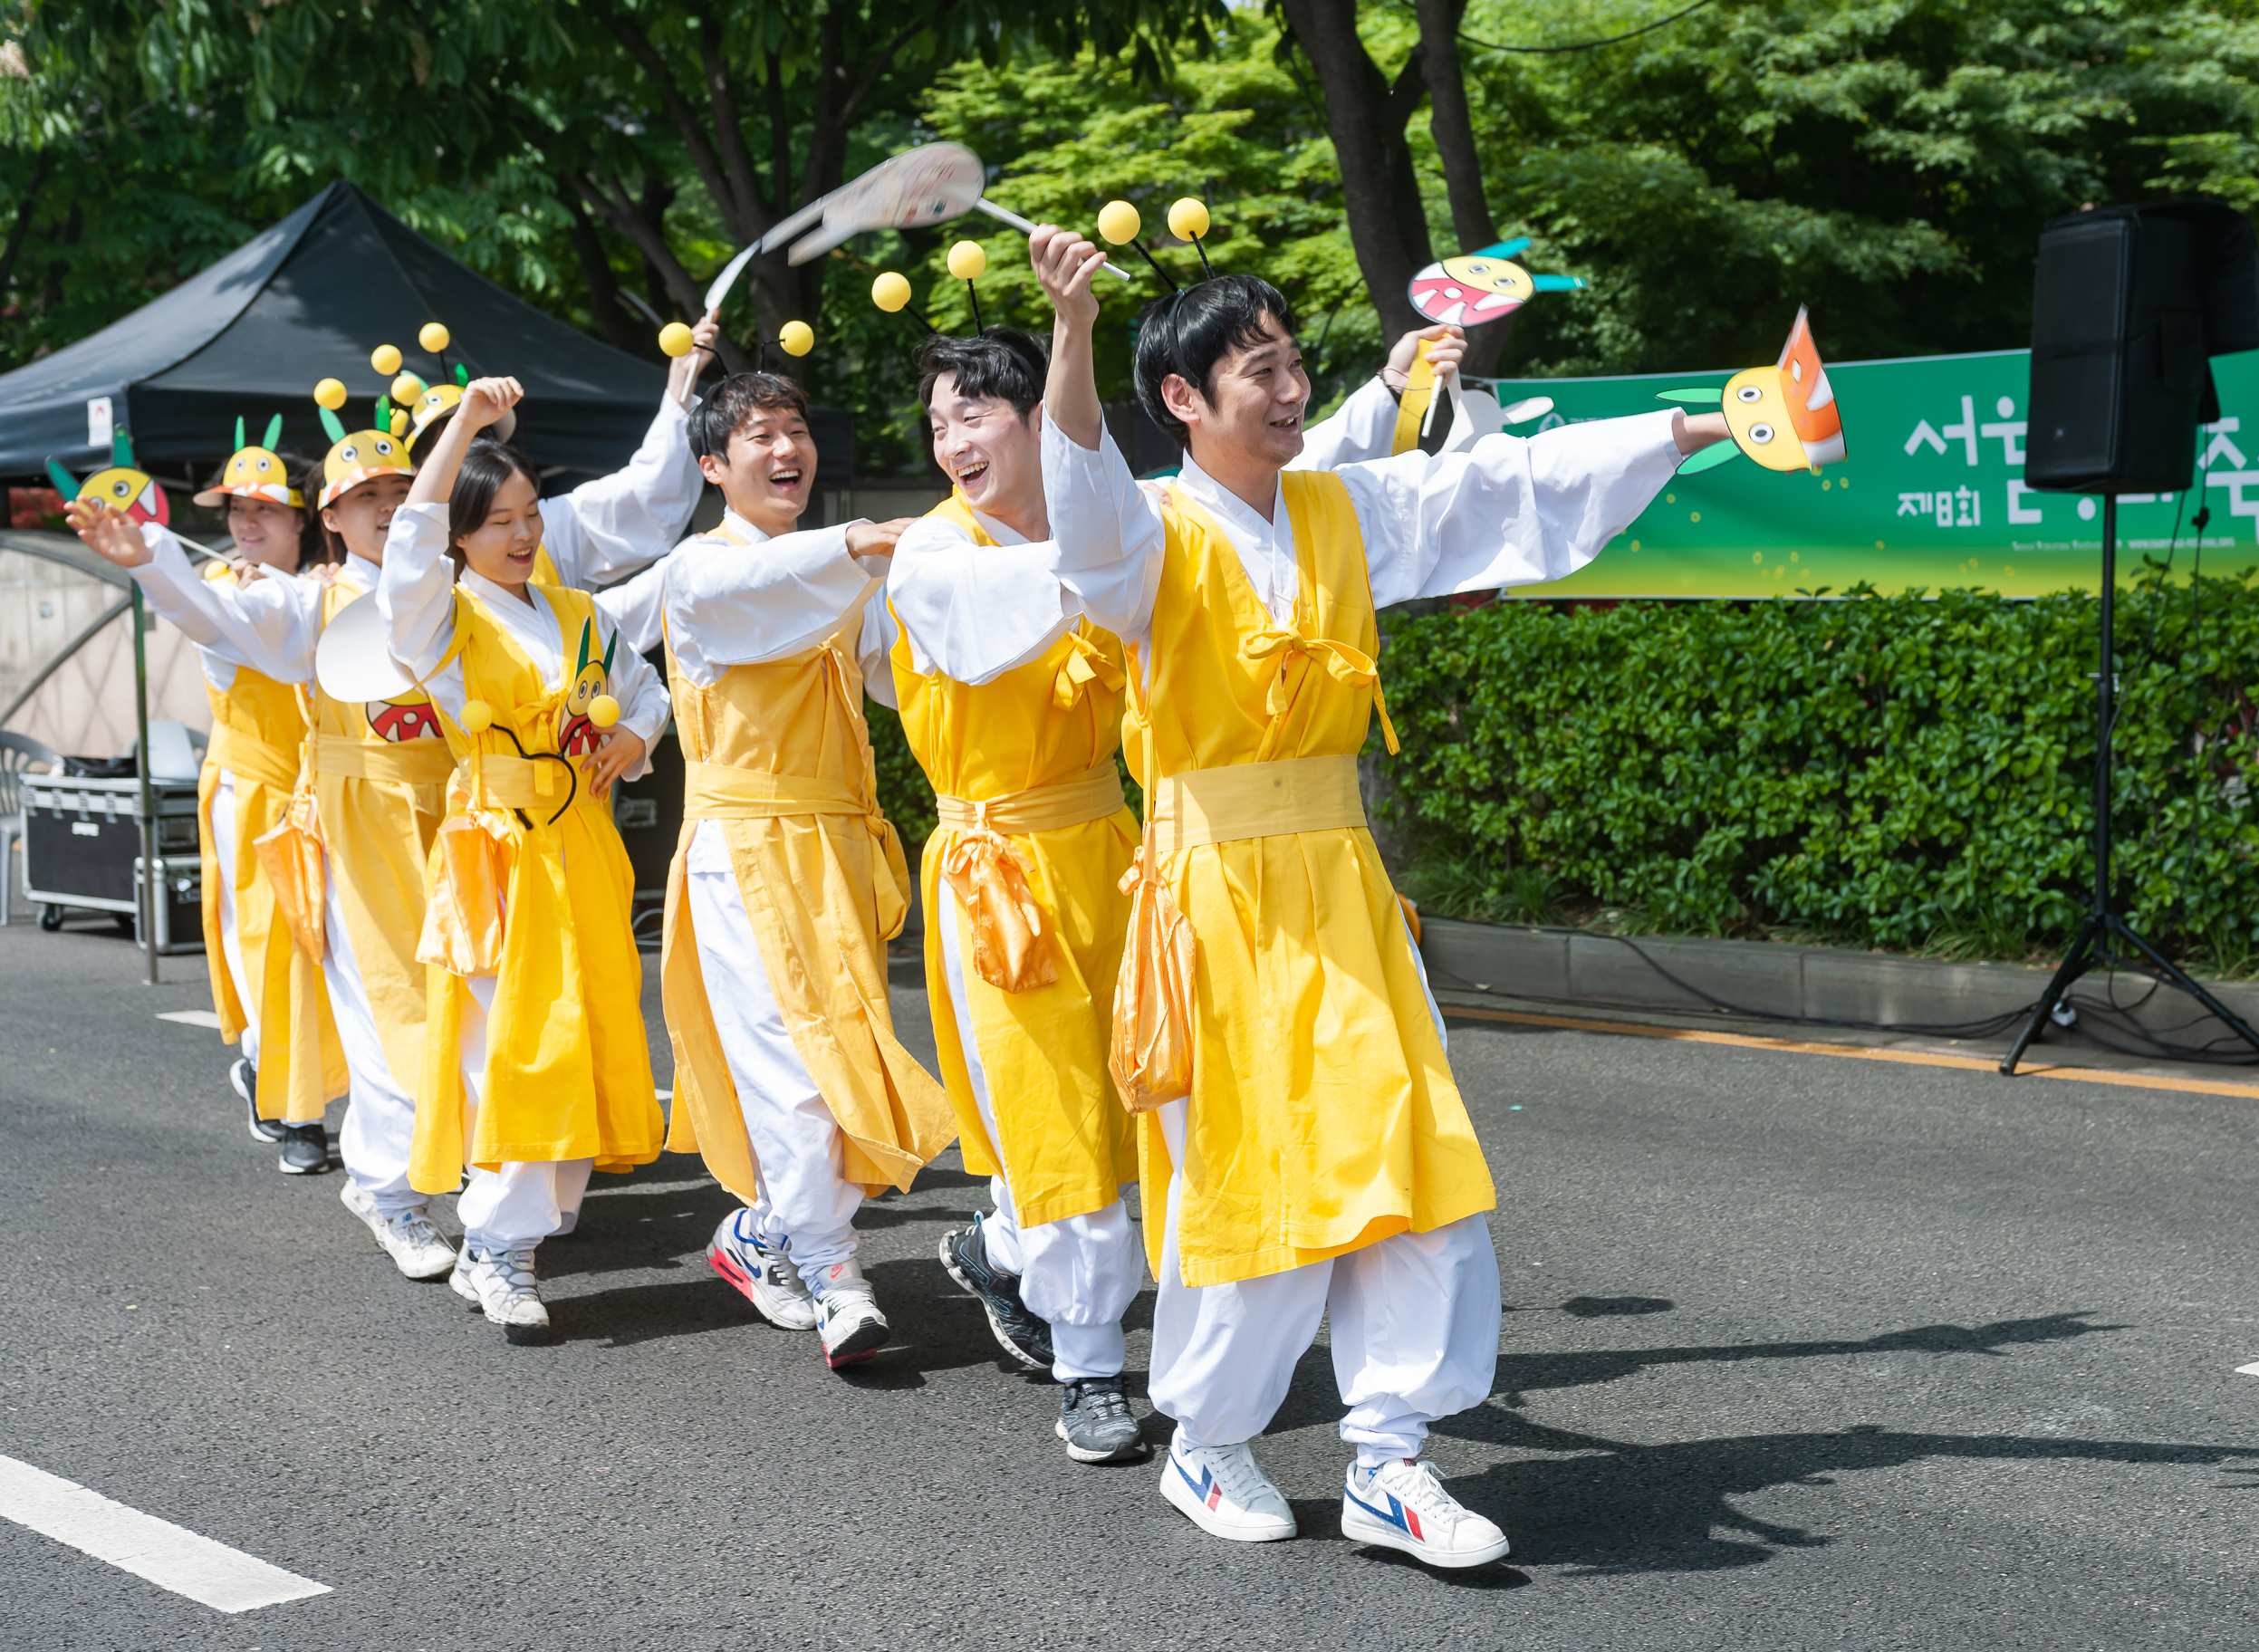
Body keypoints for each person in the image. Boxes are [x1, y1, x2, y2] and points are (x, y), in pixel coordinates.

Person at [1027, 226, 1730, 1567]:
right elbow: (1079, 495)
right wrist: (1069, 334)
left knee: (1416, 1162)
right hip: (1213, 899)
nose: (1290, 389)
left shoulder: (1350, 509)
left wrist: (1713, 424)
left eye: (1294, 363)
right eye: (1258, 371)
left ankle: (1390, 1462)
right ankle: (1210, 1442)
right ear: (1182, 400)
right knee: (1255, 1178)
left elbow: (1517, 488)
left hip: (1342, 889)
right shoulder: (1147, 537)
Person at [870, 321, 1469, 1463]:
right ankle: (1091, 1369)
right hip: (1000, 876)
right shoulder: (937, 556)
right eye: (939, 421)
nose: (952, 440)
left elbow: (1254, 496)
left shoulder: (1133, 521)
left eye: (976, 414)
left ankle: (1007, 1255)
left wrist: (1388, 388)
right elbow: (1093, 574)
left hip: (1129, 850)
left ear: (1045, 421)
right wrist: (1118, 554)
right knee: (1056, 1119)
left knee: (1154, 1097)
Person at [95, 320, 716, 1283]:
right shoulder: (313, 602)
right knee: (396, 1009)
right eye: (366, 495)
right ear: (329, 517)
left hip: (479, 820)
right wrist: (150, 561)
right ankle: (390, 1191)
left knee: (489, 1015)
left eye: (404, 484)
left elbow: (634, 545)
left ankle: (494, 1177)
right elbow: (216, 613)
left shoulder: (501, 590)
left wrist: (681, 393)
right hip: (368, 825)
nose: (391, 505)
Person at [601, 370, 953, 1369]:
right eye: (759, 436)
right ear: (713, 465)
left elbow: (907, 672)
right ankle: (838, 1274)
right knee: (796, 1071)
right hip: (746, 855)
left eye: (795, 430)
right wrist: (861, 542)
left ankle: (763, 1234)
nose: (784, 449)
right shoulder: (701, 572)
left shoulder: (833, 580)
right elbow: (766, 595)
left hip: (837, 851)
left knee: (844, 1058)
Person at [376, 375, 673, 1340]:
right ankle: (502, 1245)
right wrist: (463, 424)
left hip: (581, 847)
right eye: (498, 519)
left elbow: (644, 694)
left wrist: (634, 741)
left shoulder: (577, 609)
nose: (521, 534)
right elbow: (408, 557)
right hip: (497, 854)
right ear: (459, 534)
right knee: (515, 1047)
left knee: (581, 1034)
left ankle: (508, 1236)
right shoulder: (443, 620)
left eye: (531, 515)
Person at [69, 440, 348, 1175]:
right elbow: (205, 610)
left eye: (264, 509)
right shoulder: (224, 586)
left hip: (338, 792)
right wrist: (145, 557)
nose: (246, 522)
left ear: (305, 521)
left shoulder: (335, 586)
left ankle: (308, 1085)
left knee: (345, 950)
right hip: (254, 790)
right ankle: (295, 1108)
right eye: (236, 509)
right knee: (270, 945)